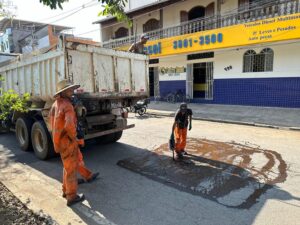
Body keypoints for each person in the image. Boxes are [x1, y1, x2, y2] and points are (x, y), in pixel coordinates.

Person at [49, 79, 99, 206]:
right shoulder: (68, 106)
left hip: (60, 140)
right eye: (69, 90)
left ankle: (67, 190)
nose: (72, 92)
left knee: (69, 165)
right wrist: (75, 136)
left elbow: (51, 122)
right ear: (63, 92)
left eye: (72, 89)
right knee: (70, 169)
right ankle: (71, 196)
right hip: (68, 141)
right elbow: (69, 125)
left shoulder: (56, 104)